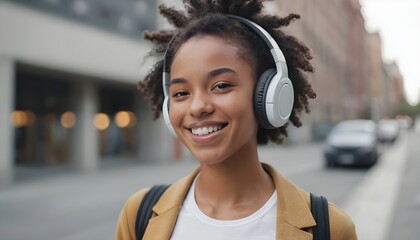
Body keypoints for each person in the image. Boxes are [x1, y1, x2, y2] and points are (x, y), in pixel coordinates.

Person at [116, 0, 357, 239]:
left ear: (269, 95)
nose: (198, 107)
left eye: (221, 86)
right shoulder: (139, 215)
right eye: (181, 93)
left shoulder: (330, 228)